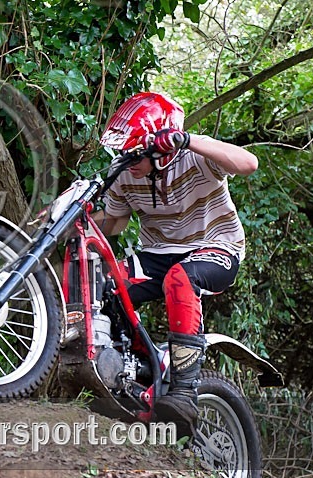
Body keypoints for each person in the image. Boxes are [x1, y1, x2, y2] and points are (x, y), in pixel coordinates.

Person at [93, 92, 258, 434]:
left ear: (161, 148)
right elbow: (114, 223)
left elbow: (248, 163)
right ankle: (135, 372)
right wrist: (79, 221)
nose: (127, 157)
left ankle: (184, 391)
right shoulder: (125, 171)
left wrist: (188, 140)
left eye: (134, 150)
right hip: (159, 254)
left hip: (216, 248)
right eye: (124, 150)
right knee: (105, 285)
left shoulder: (197, 156)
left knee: (180, 279)